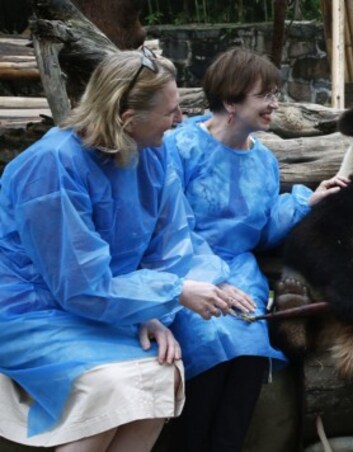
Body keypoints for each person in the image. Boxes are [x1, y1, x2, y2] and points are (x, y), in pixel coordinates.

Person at [0, 49, 243, 451]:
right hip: (31, 311)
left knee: (163, 374)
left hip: (96, 305)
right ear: (128, 120)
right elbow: (78, 285)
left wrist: (159, 303)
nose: (181, 120)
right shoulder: (51, 166)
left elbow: (172, 245)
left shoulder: (152, 152)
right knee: (116, 387)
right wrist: (171, 292)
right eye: (171, 112)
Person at [164, 47, 347, 451]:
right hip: (184, 268)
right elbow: (171, 228)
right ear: (231, 101)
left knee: (249, 348)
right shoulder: (180, 148)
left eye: (276, 93)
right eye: (265, 95)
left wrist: (306, 202)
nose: (275, 104)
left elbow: (262, 232)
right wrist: (210, 280)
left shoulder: (264, 161)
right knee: (210, 341)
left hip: (241, 271)